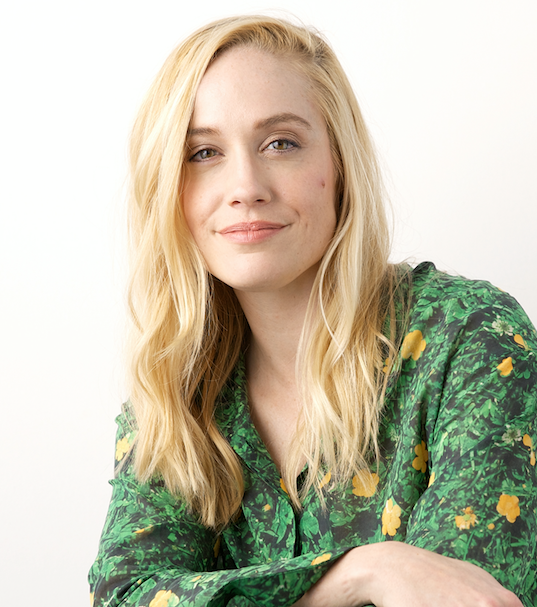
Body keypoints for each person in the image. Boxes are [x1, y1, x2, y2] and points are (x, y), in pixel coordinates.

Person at [89, 15, 536, 607]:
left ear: (340, 166)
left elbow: (465, 599)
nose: (245, 186)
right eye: (203, 152)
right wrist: (363, 573)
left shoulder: (472, 340)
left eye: (281, 143)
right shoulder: (175, 395)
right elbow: (125, 596)